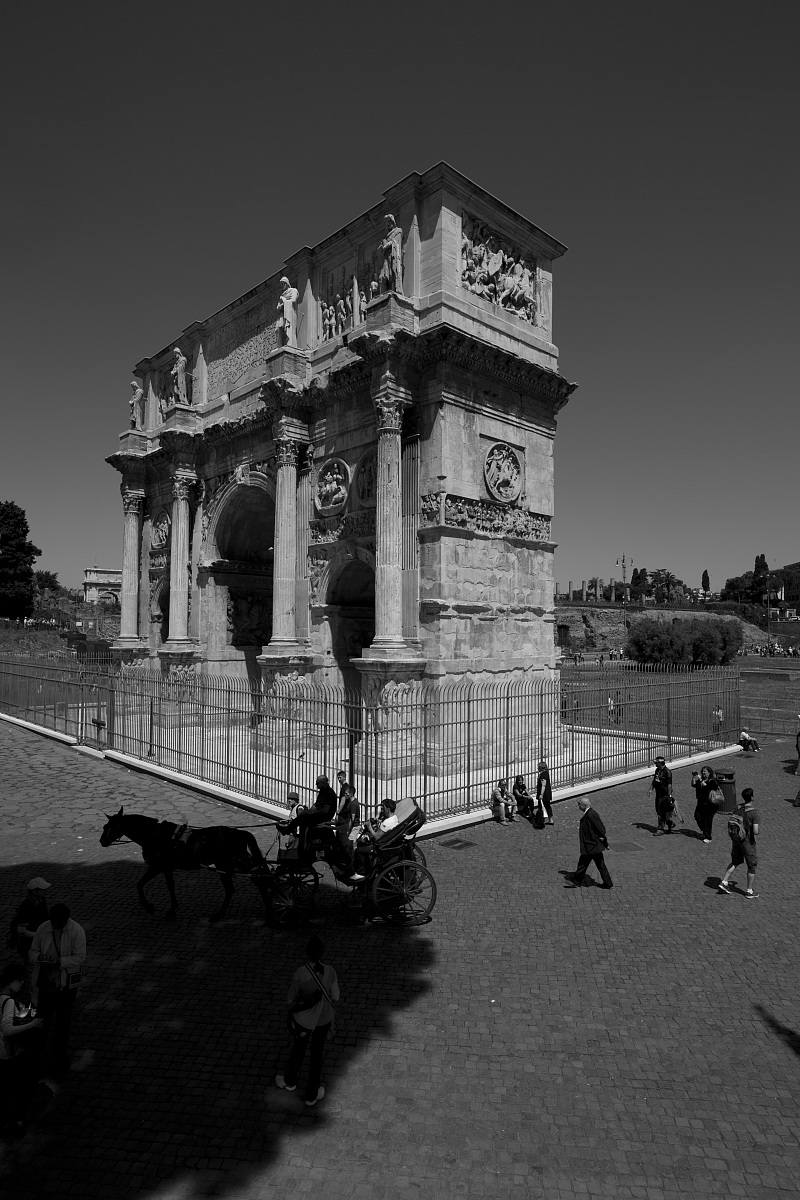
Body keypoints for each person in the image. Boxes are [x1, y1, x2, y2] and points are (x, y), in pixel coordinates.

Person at [276, 935, 339, 1107]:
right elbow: (336, 996)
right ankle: (312, 1094)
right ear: (322, 953)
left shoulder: (300, 973)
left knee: (299, 1049)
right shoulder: (330, 971)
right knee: (317, 1054)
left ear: (307, 952)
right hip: (323, 1019)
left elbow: (290, 1000)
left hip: (304, 1020)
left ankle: (290, 1081)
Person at [29, 902, 86, 1072]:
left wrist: (61, 961)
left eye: (59, 923)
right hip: (47, 983)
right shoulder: (43, 929)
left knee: (63, 1021)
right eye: (53, 922)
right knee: (43, 1020)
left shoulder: (76, 931)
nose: (55, 925)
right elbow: (32, 953)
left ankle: (58, 1057)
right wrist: (40, 957)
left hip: (67, 984)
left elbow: (80, 957)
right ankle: (37, 1057)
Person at [0, 962, 45, 1138]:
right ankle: (14, 1121)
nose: (21, 985)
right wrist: (32, 1022)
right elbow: (8, 1028)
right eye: (20, 981)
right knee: (20, 1086)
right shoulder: (9, 1002)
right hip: (9, 1053)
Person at [718, 789, 760, 898]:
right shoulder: (753, 812)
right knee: (751, 865)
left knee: (735, 861)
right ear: (752, 797)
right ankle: (749, 891)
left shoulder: (738, 808)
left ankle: (724, 882)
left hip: (736, 839)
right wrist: (758, 831)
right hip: (747, 841)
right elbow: (755, 831)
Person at [565, 798, 613, 889]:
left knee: (583, 864)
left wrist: (604, 842)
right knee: (598, 864)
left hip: (591, 845)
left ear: (584, 805)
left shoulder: (591, 814)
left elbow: (601, 829)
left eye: (579, 804)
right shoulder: (589, 814)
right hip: (592, 845)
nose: (578, 806)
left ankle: (576, 881)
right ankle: (608, 883)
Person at [285, 776, 339, 850]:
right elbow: (315, 805)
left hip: (324, 816)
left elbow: (325, 810)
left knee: (303, 817)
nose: (316, 784)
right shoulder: (322, 792)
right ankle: (291, 830)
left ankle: (289, 829)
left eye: (317, 783)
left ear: (323, 783)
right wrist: (309, 811)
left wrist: (313, 812)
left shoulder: (329, 793)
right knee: (303, 815)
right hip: (319, 814)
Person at [7, 877, 51, 961]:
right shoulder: (25, 907)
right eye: (42, 889)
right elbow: (21, 932)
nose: (45, 891)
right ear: (34, 891)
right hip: (28, 944)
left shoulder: (41, 901)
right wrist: (37, 935)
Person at [334, 784, 362, 880]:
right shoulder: (351, 802)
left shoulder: (353, 804)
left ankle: (353, 867)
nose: (344, 795)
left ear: (351, 794)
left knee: (350, 847)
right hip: (352, 827)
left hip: (354, 828)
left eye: (346, 793)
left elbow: (353, 819)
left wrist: (348, 830)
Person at [691, 766, 721, 843]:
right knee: (697, 816)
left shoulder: (712, 781)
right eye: (702, 771)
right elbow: (693, 785)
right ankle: (704, 830)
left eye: (705, 771)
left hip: (710, 804)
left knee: (708, 820)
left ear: (709, 772)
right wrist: (694, 777)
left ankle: (708, 837)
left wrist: (704, 784)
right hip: (701, 803)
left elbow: (710, 788)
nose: (703, 773)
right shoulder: (701, 780)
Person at [649, 756, 675, 834]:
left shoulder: (667, 772)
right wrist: (651, 789)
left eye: (656, 763)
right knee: (659, 810)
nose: (655, 764)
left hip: (665, 795)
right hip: (658, 794)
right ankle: (670, 824)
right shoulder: (657, 770)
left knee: (662, 811)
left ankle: (661, 828)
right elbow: (655, 780)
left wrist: (669, 796)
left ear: (660, 763)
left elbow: (669, 784)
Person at [535, 760, 554, 826]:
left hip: (544, 794)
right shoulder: (546, 773)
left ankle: (541, 821)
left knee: (541, 807)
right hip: (547, 793)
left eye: (538, 767)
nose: (537, 768)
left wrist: (541, 794)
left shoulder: (543, 775)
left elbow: (543, 785)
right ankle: (550, 819)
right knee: (548, 806)